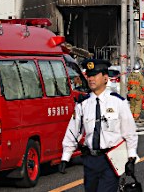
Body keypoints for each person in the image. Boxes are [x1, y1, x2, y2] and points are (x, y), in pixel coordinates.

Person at [59, 59, 138, 192]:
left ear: (105, 78)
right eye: (89, 76)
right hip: (90, 160)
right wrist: (65, 157)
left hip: (110, 160)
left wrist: (131, 158)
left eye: (95, 75)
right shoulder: (82, 104)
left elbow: (129, 133)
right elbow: (73, 130)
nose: (91, 79)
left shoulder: (118, 102)